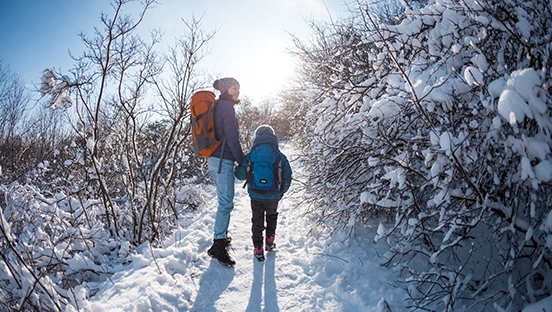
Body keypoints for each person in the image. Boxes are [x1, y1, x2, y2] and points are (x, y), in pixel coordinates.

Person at [235, 125, 292, 261]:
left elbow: (240, 175)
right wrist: (281, 192)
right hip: (273, 194)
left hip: (255, 194)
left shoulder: (251, 155)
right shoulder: (279, 156)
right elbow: (288, 176)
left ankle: (258, 249)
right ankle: (270, 243)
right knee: (272, 217)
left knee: (257, 221)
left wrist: (238, 167)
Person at [206, 77, 244, 267]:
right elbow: (232, 138)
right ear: (225, 89)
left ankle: (220, 238)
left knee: (224, 201)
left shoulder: (218, 106)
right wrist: (242, 161)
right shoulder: (226, 108)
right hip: (223, 160)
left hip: (214, 159)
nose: (237, 91)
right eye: (234, 87)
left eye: (238, 88)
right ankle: (217, 246)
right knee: (225, 203)